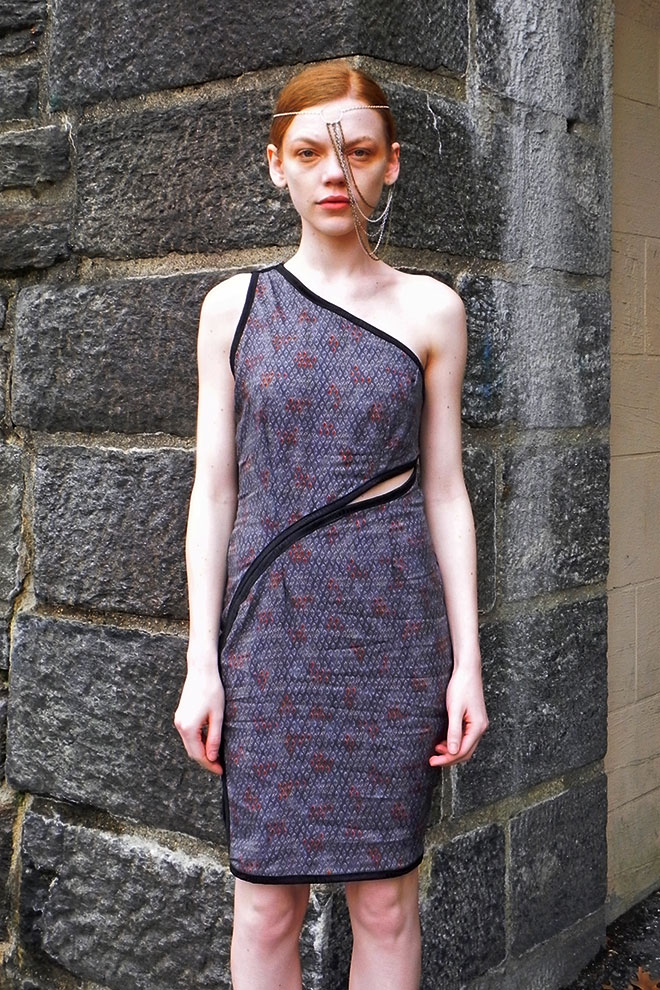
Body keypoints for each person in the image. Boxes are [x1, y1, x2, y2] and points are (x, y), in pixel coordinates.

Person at [174, 60, 489, 990]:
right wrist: (201, 663)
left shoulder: (433, 309)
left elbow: (445, 491)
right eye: (309, 152)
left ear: (391, 163)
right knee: (266, 903)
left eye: (356, 151)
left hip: (394, 636)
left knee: (386, 901)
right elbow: (214, 493)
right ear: (277, 166)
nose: (333, 172)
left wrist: (466, 663)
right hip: (269, 639)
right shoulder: (233, 308)